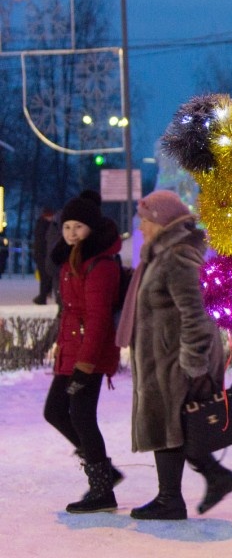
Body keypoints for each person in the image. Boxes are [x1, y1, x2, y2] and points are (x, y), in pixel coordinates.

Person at [116, 189, 232, 520]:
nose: (141, 227)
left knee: (170, 423)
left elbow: (196, 313)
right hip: (163, 358)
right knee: (174, 424)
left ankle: (172, 498)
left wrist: (193, 361)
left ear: (159, 221)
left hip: (174, 360)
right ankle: (203, 482)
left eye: (144, 220)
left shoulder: (177, 257)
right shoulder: (161, 255)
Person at [42, 193, 123, 513]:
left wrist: (85, 364)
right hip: (73, 350)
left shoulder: (99, 263)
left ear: (91, 228)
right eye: (67, 226)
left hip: (89, 354)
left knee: (82, 416)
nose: (72, 232)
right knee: (56, 411)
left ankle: (102, 488)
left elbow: (98, 317)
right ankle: (102, 469)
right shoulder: (70, 258)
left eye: (78, 227)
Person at [32, 208, 55, 302]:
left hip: (41, 253)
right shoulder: (48, 225)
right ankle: (44, 295)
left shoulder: (41, 224)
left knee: (44, 275)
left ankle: (43, 295)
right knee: (46, 275)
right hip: (44, 254)